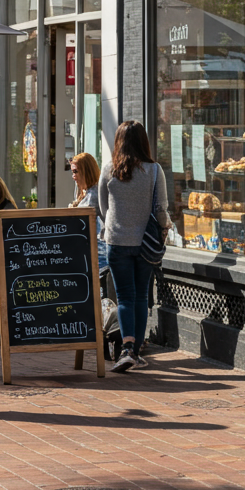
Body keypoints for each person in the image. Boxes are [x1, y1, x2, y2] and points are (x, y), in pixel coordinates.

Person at [98, 120, 170, 373]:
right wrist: (166, 227)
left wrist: (115, 225)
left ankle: (126, 348)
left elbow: (103, 207)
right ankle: (135, 351)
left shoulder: (108, 169)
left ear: (118, 141)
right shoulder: (153, 170)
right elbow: (160, 208)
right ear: (144, 142)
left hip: (116, 241)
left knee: (124, 296)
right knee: (141, 296)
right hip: (145, 243)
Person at [70, 152, 107, 274]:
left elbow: (79, 220)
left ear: (86, 171)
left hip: (98, 253)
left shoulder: (94, 194)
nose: (73, 176)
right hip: (94, 251)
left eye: (75, 172)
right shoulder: (88, 192)